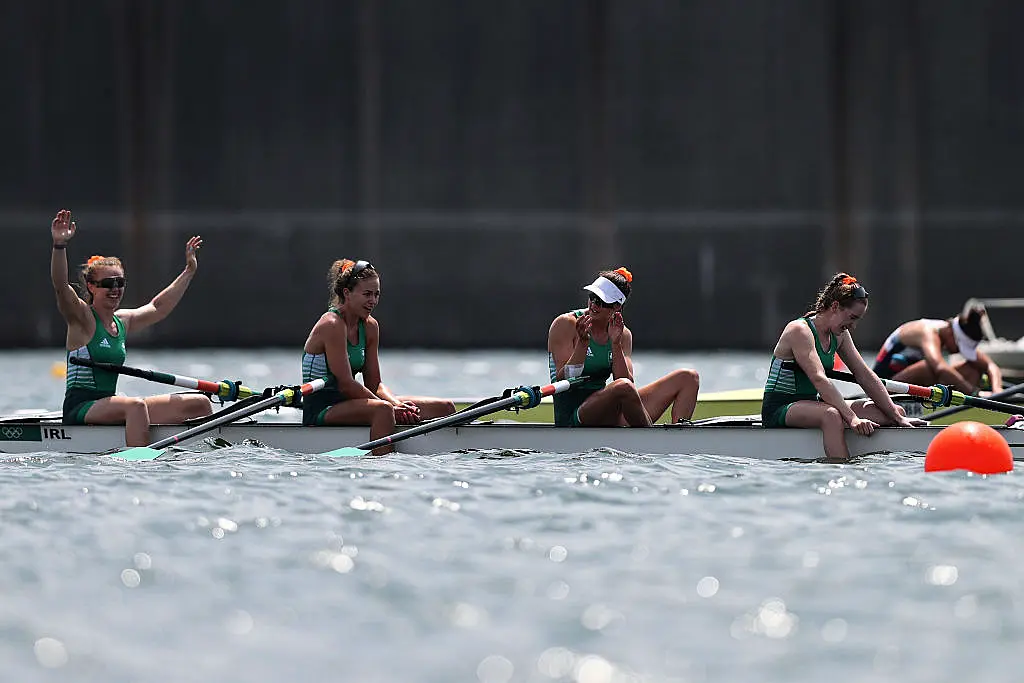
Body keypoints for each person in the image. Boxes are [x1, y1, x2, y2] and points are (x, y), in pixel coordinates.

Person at [50, 209, 213, 446]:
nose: (115, 289)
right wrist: (59, 245)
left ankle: (206, 453)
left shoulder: (122, 321)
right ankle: (140, 465)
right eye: (108, 284)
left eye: (120, 283)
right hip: (81, 408)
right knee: (135, 407)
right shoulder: (82, 318)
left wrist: (188, 271)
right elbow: (60, 286)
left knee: (200, 404)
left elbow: (158, 307)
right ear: (91, 286)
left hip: (111, 404)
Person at [301, 259, 456, 454]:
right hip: (323, 408)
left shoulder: (370, 326)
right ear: (347, 293)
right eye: (367, 294)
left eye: (376, 295)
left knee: (445, 408)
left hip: (354, 402)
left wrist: (398, 405)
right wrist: (389, 408)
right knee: (382, 411)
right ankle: (381, 470)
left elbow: (375, 384)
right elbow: (346, 384)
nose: (373, 301)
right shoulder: (331, 324)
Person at [761, 273, 922, 460]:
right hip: (781, 407)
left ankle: (877, 462)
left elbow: (864, 374)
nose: (852, 326)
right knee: (831, 415)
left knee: (891, 412)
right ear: (835, 306)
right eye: (852, 318)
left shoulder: (839, 335)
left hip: (812, 403)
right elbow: (819, 378)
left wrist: (898, 417)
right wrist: (852, 418)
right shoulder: (800, 331)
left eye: (857, 320)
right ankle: (841, 468)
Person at [546, 267, 700, 427]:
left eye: (602, 302)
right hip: (574, 414)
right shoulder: (565, 324)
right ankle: (650, 437)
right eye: (592, 297)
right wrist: (583, 343)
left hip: (609, 411)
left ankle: (679, 437)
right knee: (622, 387)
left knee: (688, 377)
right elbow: (565, 379)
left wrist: (615, 344)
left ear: (616, 307)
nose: (593, 305)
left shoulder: (623, 334)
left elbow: (627, 382)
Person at [872, 304, 1002, 396]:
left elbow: (990, 365)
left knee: (972, 369)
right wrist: (974, 393)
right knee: (931, 366)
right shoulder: (927, 332)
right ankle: (968, 400)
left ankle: (963, 410)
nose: (957, 352)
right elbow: (939, 368)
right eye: (959, 347)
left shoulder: (947, 332)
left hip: (907, 384)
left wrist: (997, 391)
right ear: (952, 334)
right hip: (882, 387)